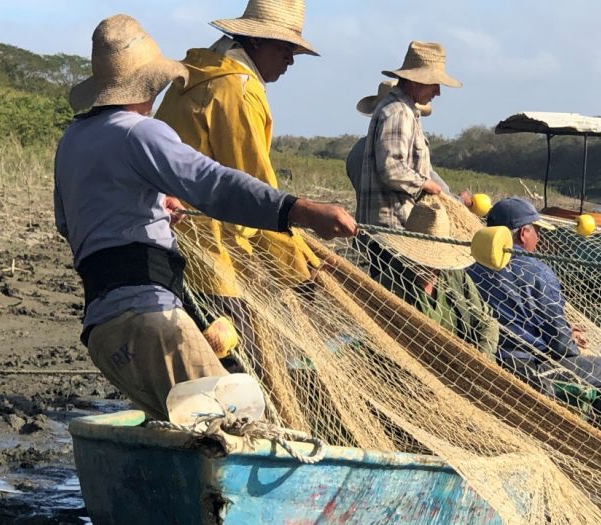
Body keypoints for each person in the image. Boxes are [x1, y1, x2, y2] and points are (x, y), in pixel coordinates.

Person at [53, 14, 356, 421]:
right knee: (239, 423)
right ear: (151, 82)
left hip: (103, 332)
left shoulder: (73, 139)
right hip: (151, 321)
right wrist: (297, 210)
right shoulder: (141, 132)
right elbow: (215, 184)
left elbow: (70, 224)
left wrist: (155, 209)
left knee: (185, 432)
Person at [153, 0, 326, 363]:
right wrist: (297, 269)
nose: (290, 60)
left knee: (191, 358)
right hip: (210, 254)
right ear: (257, 42)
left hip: (164, 241)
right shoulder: (237, 90)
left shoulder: (197, 74)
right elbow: (254, 190)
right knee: (238, 361)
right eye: (285, 48)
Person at [466, 198, 601, 436]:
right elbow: (562, 347)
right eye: (537, 231)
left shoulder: (471, 269)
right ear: (523, 234)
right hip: (530, 370)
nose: (539, 239)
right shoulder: (539, 272)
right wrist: (569, 338)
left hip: (486, 362)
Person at [368, 198, 498, 357]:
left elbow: (486, 323)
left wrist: (480, 358)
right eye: (421, 256)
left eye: (433, 257)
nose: (428, 265)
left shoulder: (454, 275)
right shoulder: (389, 285)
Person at [356, 41, 462, 229]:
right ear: (415, 80)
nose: (437, 92)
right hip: (392, 226)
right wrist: (426, 184)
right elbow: (392, 168)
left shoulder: (402, 110)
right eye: (434, 84)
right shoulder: (399, 112)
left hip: (388, 224)